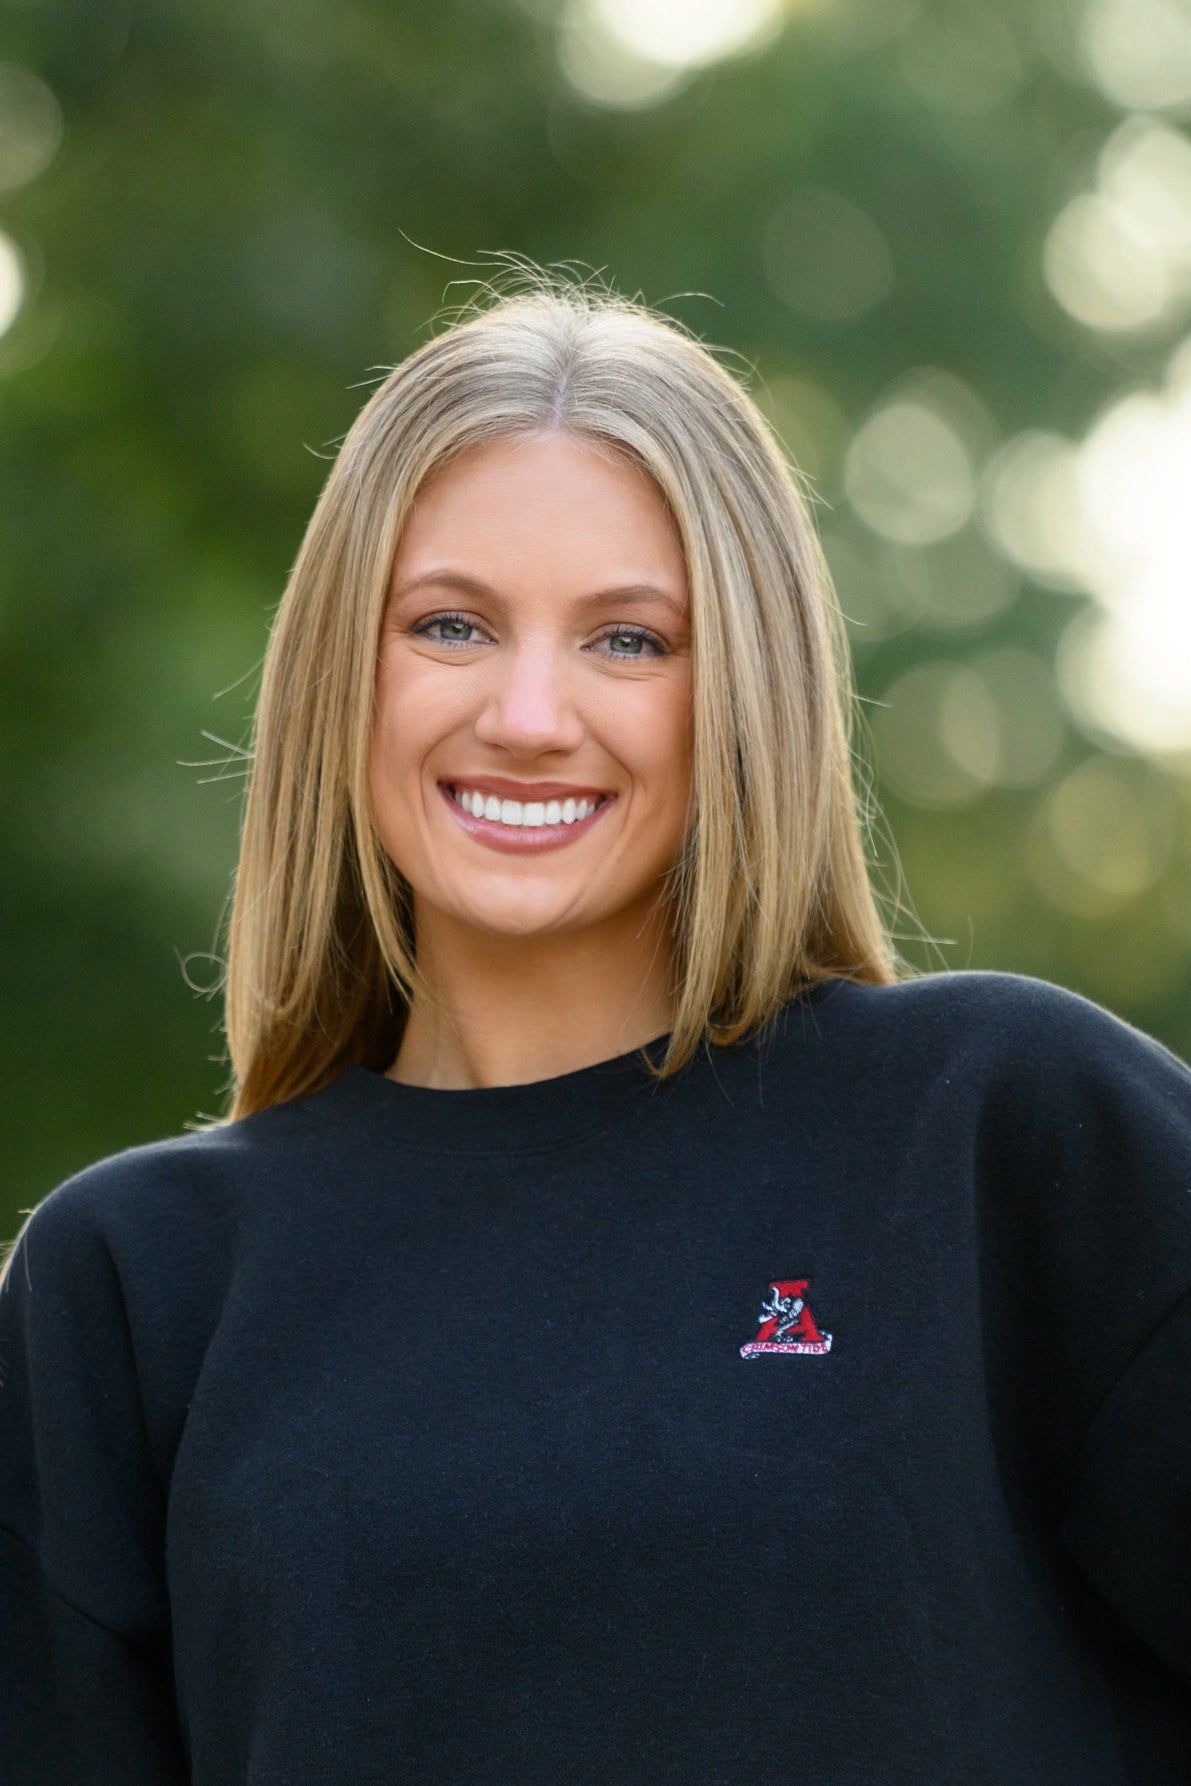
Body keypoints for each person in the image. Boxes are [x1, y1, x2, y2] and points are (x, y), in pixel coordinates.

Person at [1, 272, 1189, 1786]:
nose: (529, 715)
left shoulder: (998, 1135)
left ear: (743, 688)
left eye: (628, 641)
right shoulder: (133, 1287)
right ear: (341, 672)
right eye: (450, 625)